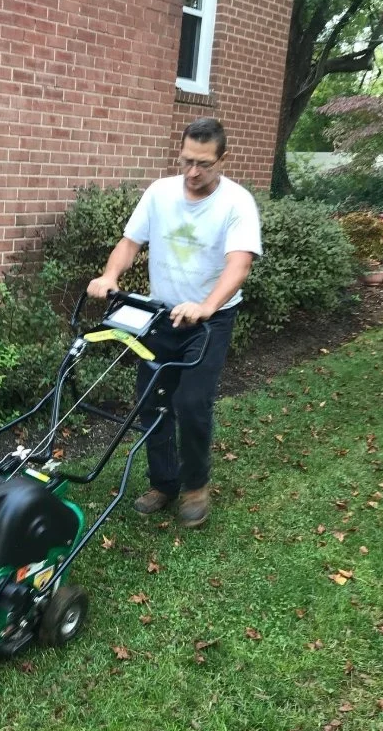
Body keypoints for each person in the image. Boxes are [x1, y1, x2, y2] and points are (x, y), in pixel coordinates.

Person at [86, 117, 262, 527]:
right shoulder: (160, 193)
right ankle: (164, 483)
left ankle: (196, 486)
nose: (193, 173)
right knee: (151, 401)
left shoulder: (237, 203)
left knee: (192, 403)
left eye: (204, 164)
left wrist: (206, 305)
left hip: (209, 321)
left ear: (223, 159)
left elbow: (239, 265)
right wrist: (111, 275)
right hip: (161, 315)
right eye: (186, 161)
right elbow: (130, 242)